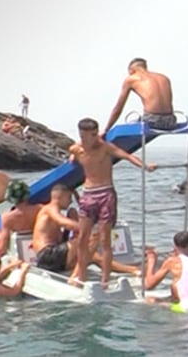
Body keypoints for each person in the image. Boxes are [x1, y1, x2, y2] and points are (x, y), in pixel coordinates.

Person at [68, 118, 157, 288]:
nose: (94, 138)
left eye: (95, 134)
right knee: (82, 239)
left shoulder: (105, 147)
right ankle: (82, 278)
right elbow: (71, 150)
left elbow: (127, 156)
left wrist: (145, 166)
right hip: (88, 195)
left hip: (106, 194)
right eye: (89, 136)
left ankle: (105, 281)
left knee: (105, 240)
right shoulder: (77, 149)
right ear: (81, 135)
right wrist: (72, 155)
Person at [101, 57, 176, 137]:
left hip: (152, 121)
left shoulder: (131, 79)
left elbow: (118, 109)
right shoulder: (164, 78)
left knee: (128, 126)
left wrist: (106, 129)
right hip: (170, 122)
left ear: (131, 70)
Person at [143, 231, 188, 313]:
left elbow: (148, 285)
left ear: (175, 246)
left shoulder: (172, 261)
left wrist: (151, 260)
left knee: (150, 300)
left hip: (186, 310)